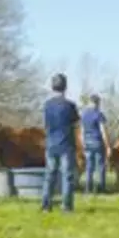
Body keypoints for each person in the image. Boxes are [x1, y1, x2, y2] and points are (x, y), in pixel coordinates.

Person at [41, 73, 80, 212]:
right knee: (67, 176)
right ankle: (66, 206)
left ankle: (46, 205)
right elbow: (76, 124)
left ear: (52, 87)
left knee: (49, 175)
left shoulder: (47, 105)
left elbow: (45, 124)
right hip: (66, 145)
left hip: (51, 144)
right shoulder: (70, 105)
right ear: (65, 87)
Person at [80, 94, 111, 194]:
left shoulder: (84, 115)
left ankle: (88, 188)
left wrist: (83, 143)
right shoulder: (99, 114)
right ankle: (101, 188)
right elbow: (103, 131)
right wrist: (108, 145)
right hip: (97, 142)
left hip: (87, 143)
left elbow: (82, 130)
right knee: (100, 166)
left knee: (89, 166)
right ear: (97, 102)